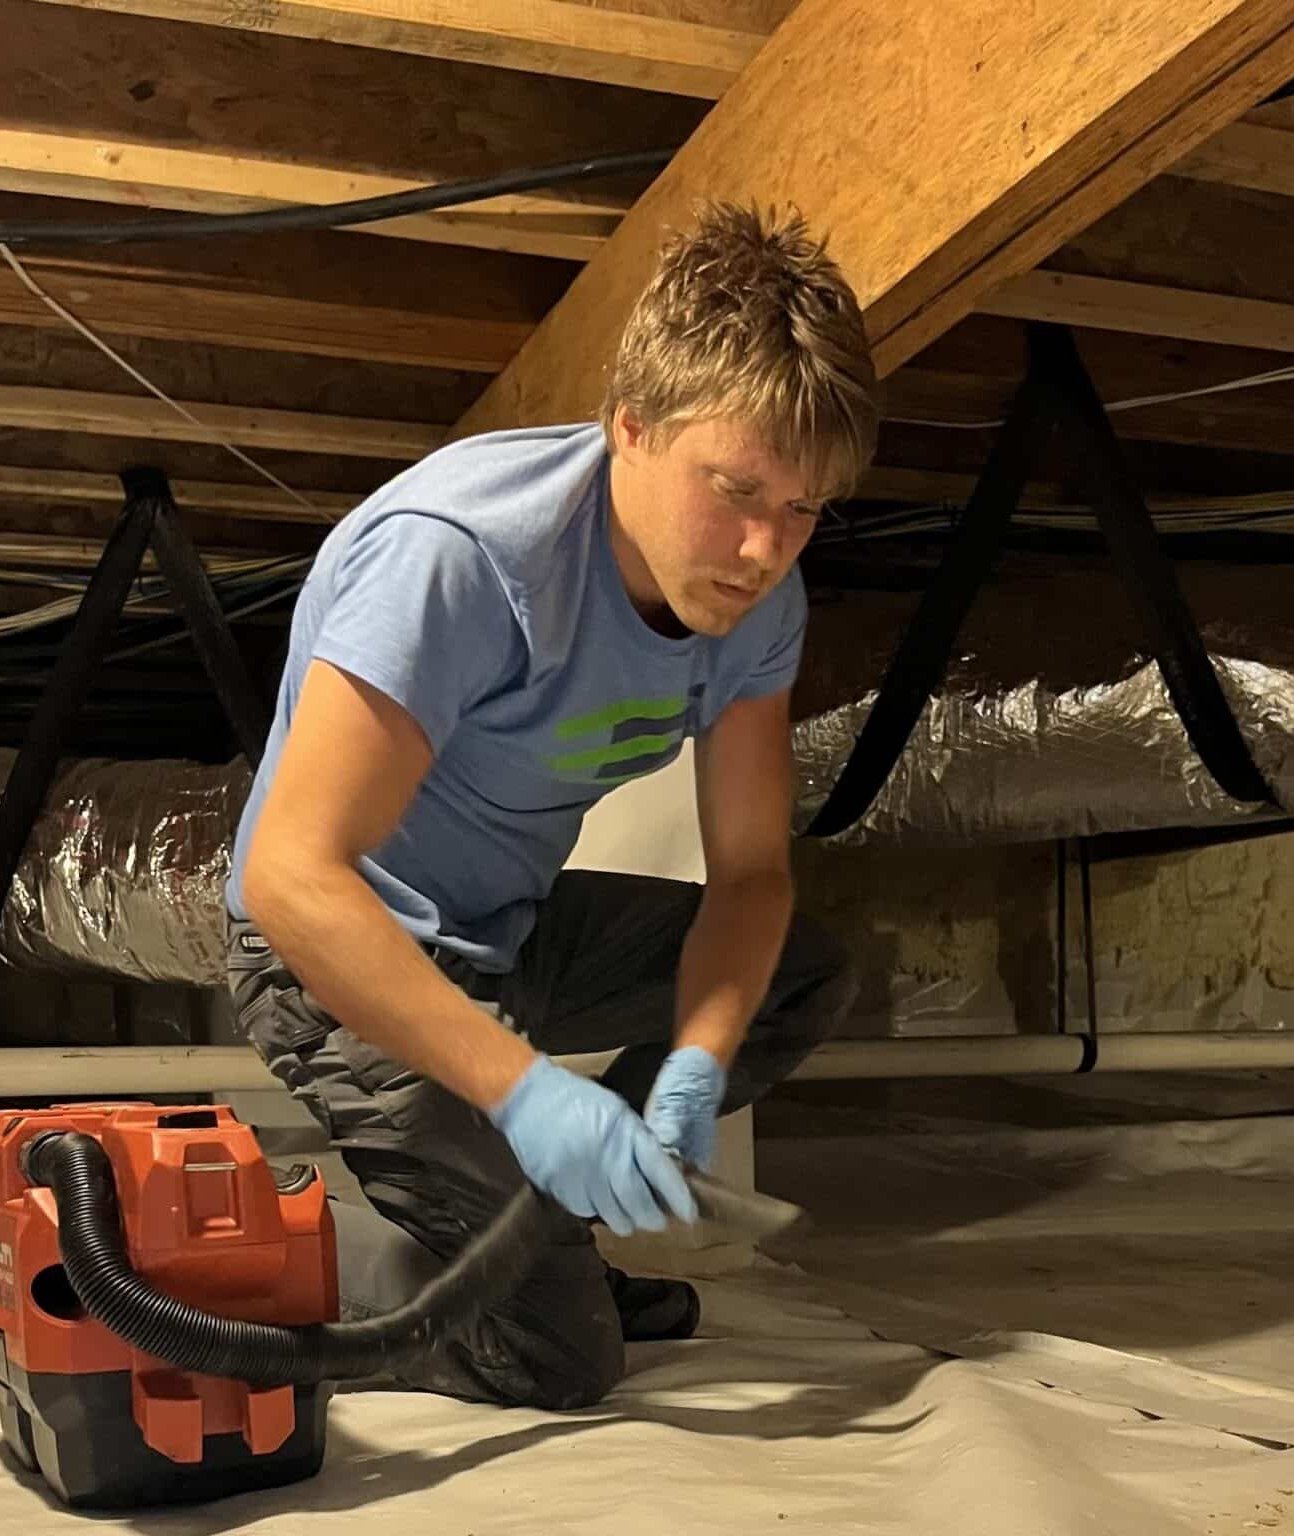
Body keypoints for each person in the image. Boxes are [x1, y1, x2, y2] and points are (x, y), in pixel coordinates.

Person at [224, 202, 880, 1411]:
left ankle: (540, 1234)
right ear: (630, 425)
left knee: (801, 974)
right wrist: (526, 1095)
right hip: (334, 950)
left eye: (803, 510)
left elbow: (749, 876)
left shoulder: (757, 606)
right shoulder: (462, 556)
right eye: (734, 489)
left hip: (507, 934)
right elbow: (291, 876)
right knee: (560, 1363)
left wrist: (695, 1059)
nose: (761, 548)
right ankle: (425, 1275)